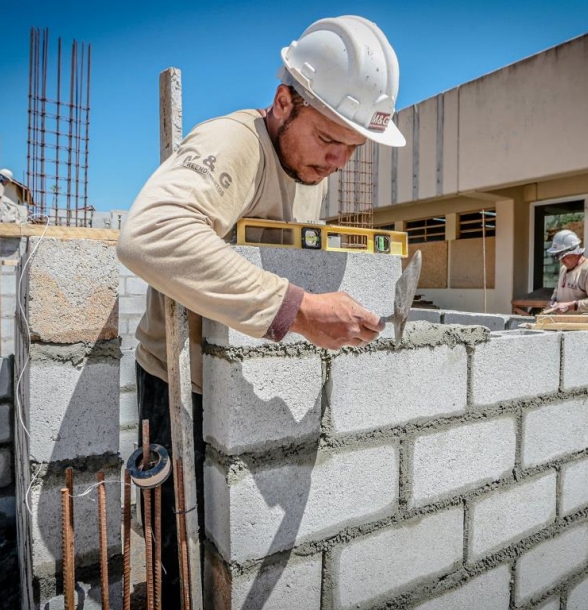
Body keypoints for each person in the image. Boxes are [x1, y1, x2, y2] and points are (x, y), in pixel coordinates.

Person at [116, 15, 405, 603]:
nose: (338, 161)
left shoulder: (312, 171)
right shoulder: (234, 144)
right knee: (182, 550)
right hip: (181, 384)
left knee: (232, 546)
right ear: (283, 101)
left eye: (351, 147)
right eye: (329, 139)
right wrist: (298, 310)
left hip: (247, 380)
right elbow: (148, 235)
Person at [545, 229, 588, 314]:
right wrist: (553, 301)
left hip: (582, 325)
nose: (562, 261)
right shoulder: (564, 268)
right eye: (558, 256)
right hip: (562, 323)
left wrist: (571, 306)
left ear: (576, 253)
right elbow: (558, 289)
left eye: (565, 256)